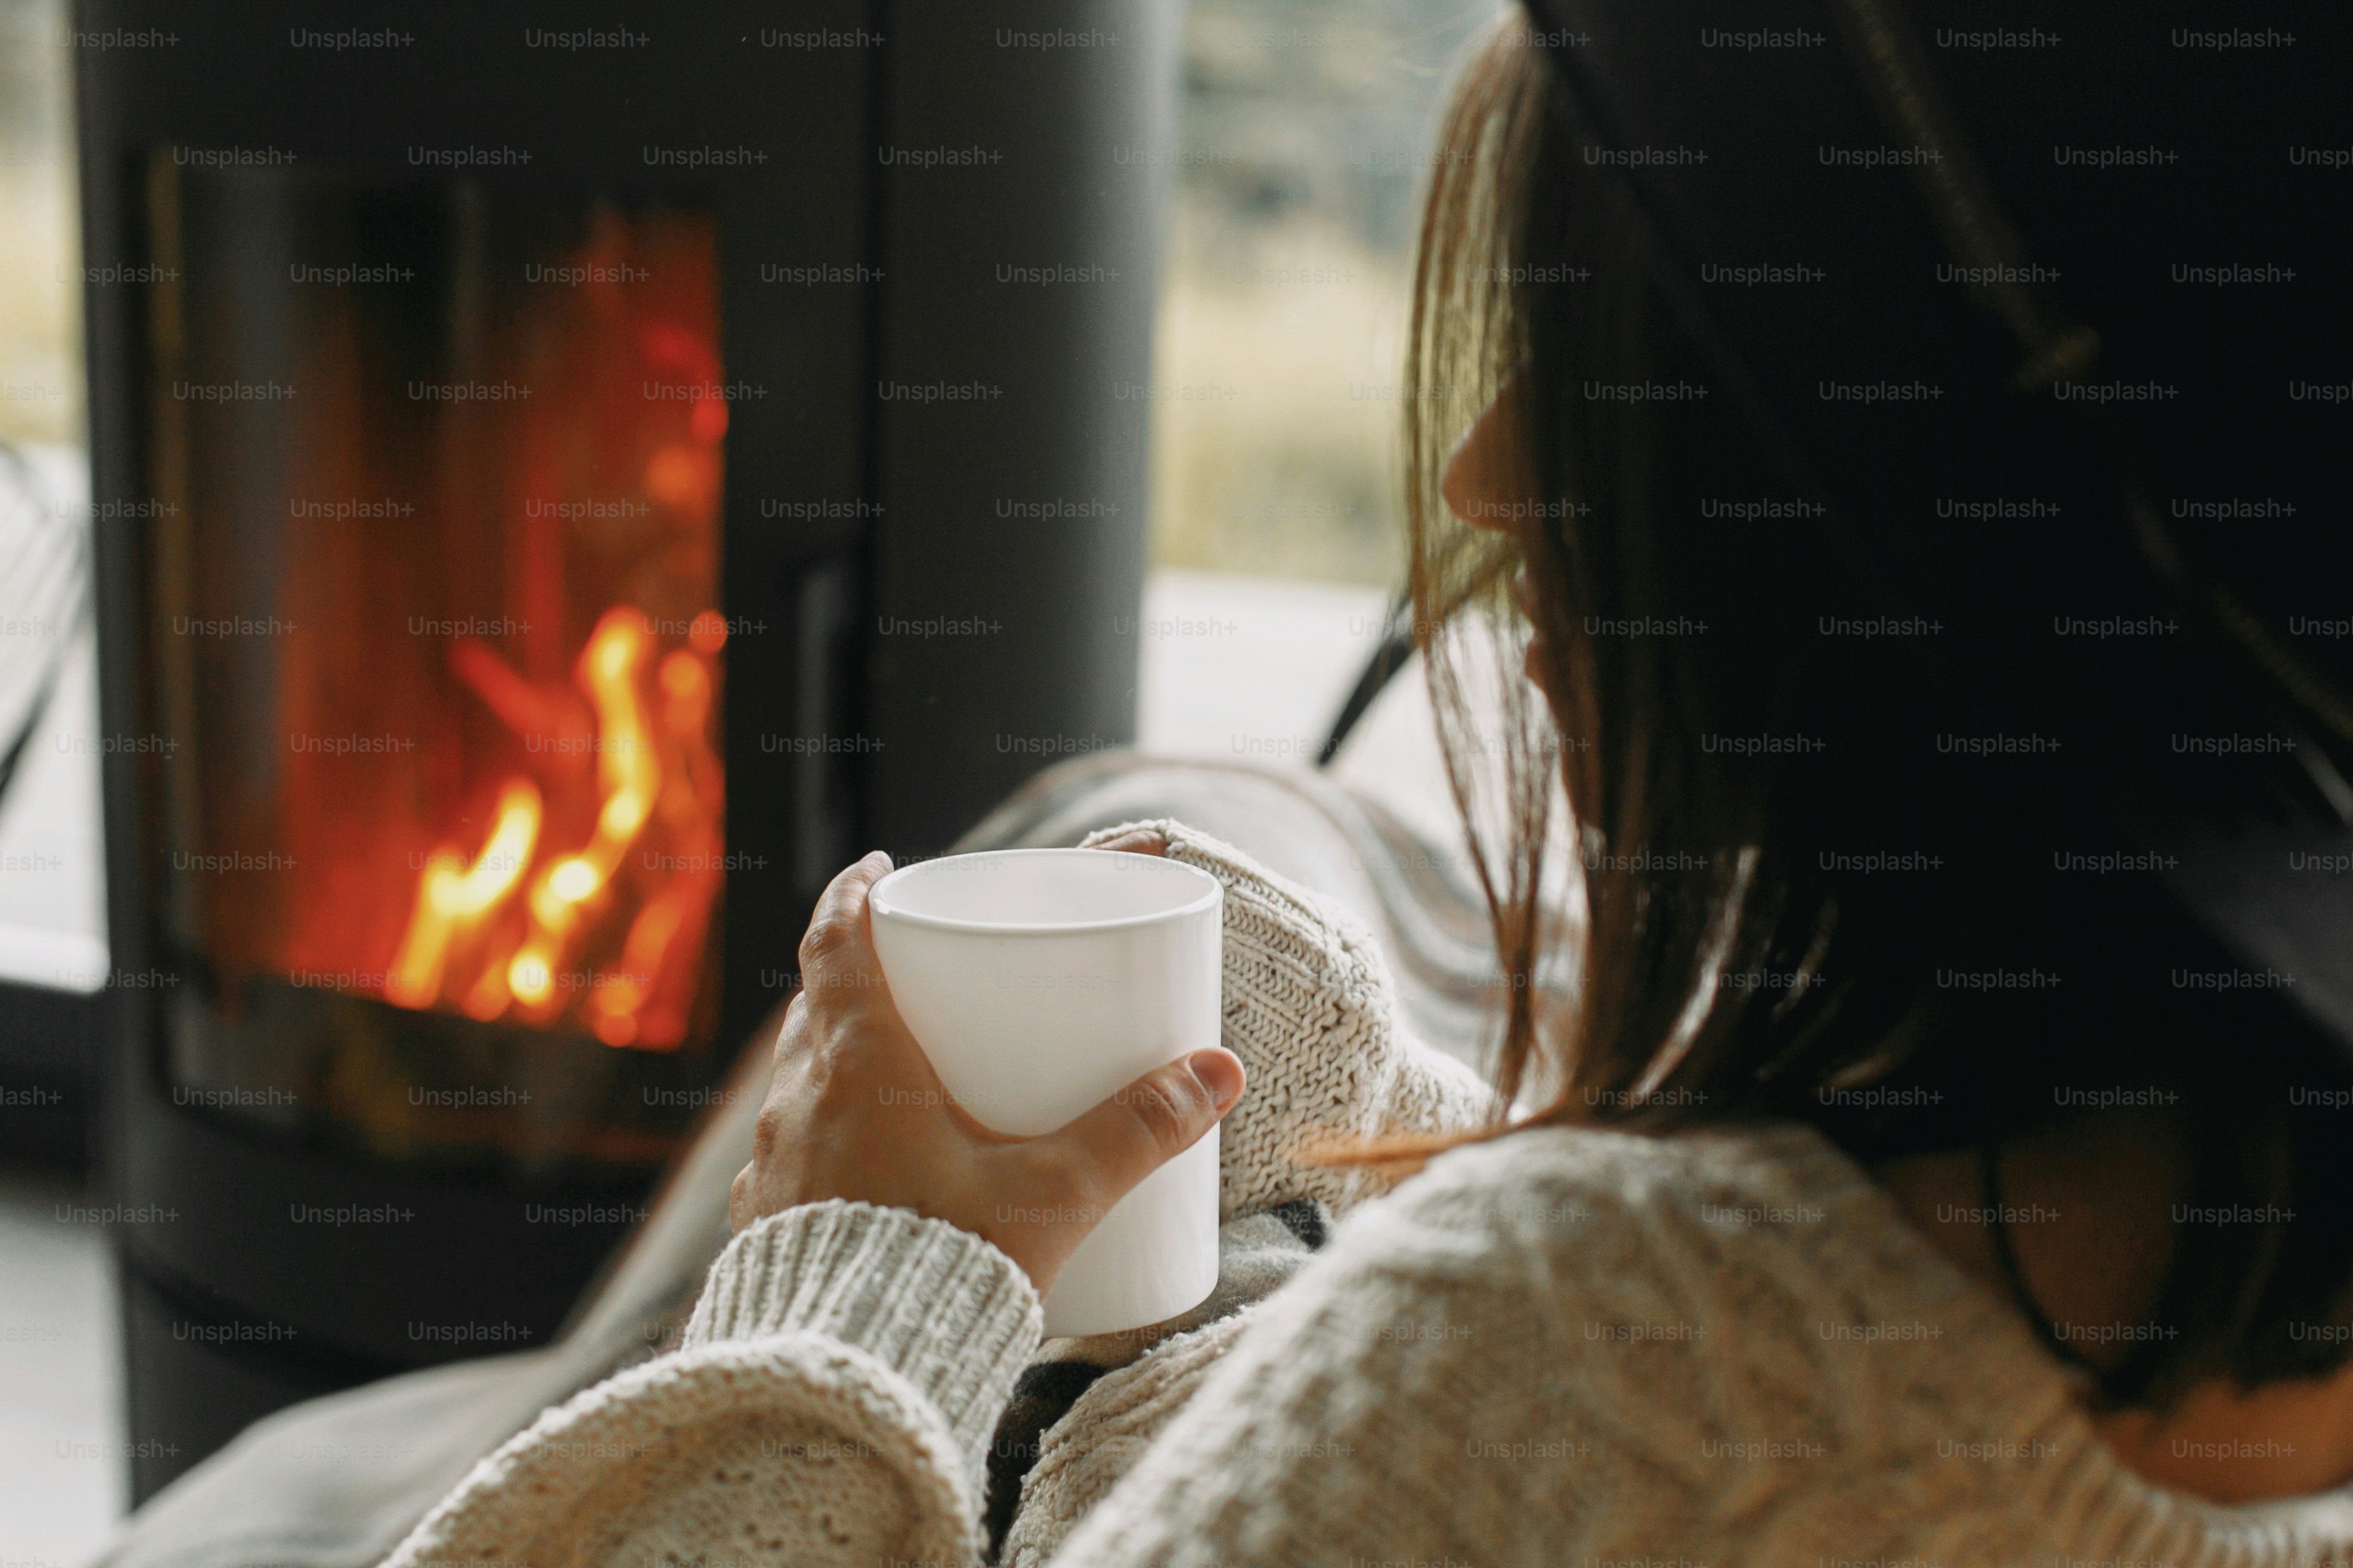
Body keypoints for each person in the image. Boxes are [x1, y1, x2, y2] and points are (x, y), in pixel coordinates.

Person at [382, 1, 2353, 1562]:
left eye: (1577, 382)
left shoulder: (1588, 1327)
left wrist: (849, 1291)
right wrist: (1363, 1110)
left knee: (1136, 816)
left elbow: (1593, 1396)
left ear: (1849, 559)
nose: (1488, 480)